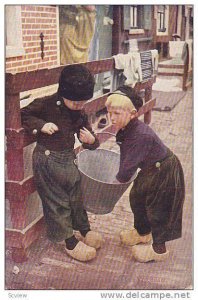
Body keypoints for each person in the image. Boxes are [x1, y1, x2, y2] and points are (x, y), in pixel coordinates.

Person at [21, 64, 103, 262]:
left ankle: (84, 229)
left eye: (83, 101)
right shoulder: (46, 104)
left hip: (67, 157)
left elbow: (89, 134)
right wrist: (41, 125)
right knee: (58, 201)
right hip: (48, 160)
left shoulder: (80, 111)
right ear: (63, 93)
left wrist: (91, 140)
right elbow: (23, 114)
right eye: (74, 101)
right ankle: (69, 241)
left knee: (76, 196)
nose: (79, 105)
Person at [105, 86, 185, 263]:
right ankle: (142, 232)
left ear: (132, 113)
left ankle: (159, 249)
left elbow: (127, 170)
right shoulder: (126, 129)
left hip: (164, 170)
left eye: (117, 113)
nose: (111, 118)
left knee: (159, 207)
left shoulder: (140, 134)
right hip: (149, 168)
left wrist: (111, 184)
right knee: (137, 197)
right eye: (109, 112)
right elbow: (126, 157)